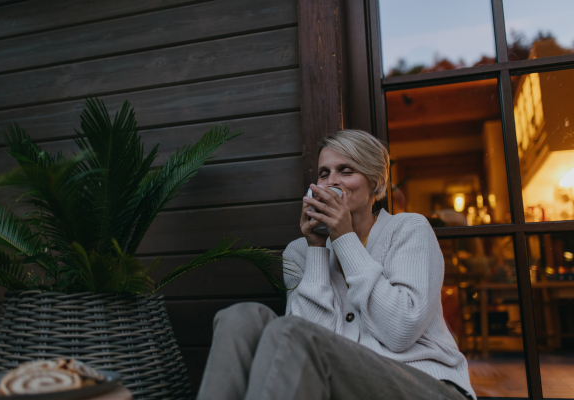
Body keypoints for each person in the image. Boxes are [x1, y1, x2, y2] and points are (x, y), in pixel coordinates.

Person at [196, 130, 475, 400]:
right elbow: (308, 343)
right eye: (324, 173)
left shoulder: (408, 229)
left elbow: (400, 331)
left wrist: (344, 239)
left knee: (288, 330)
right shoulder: (300, 251)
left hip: (427, 386)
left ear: (376, 183)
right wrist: (317, 249)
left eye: (346, 171)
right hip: (346, 386)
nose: (332, 182)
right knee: (241, 317)